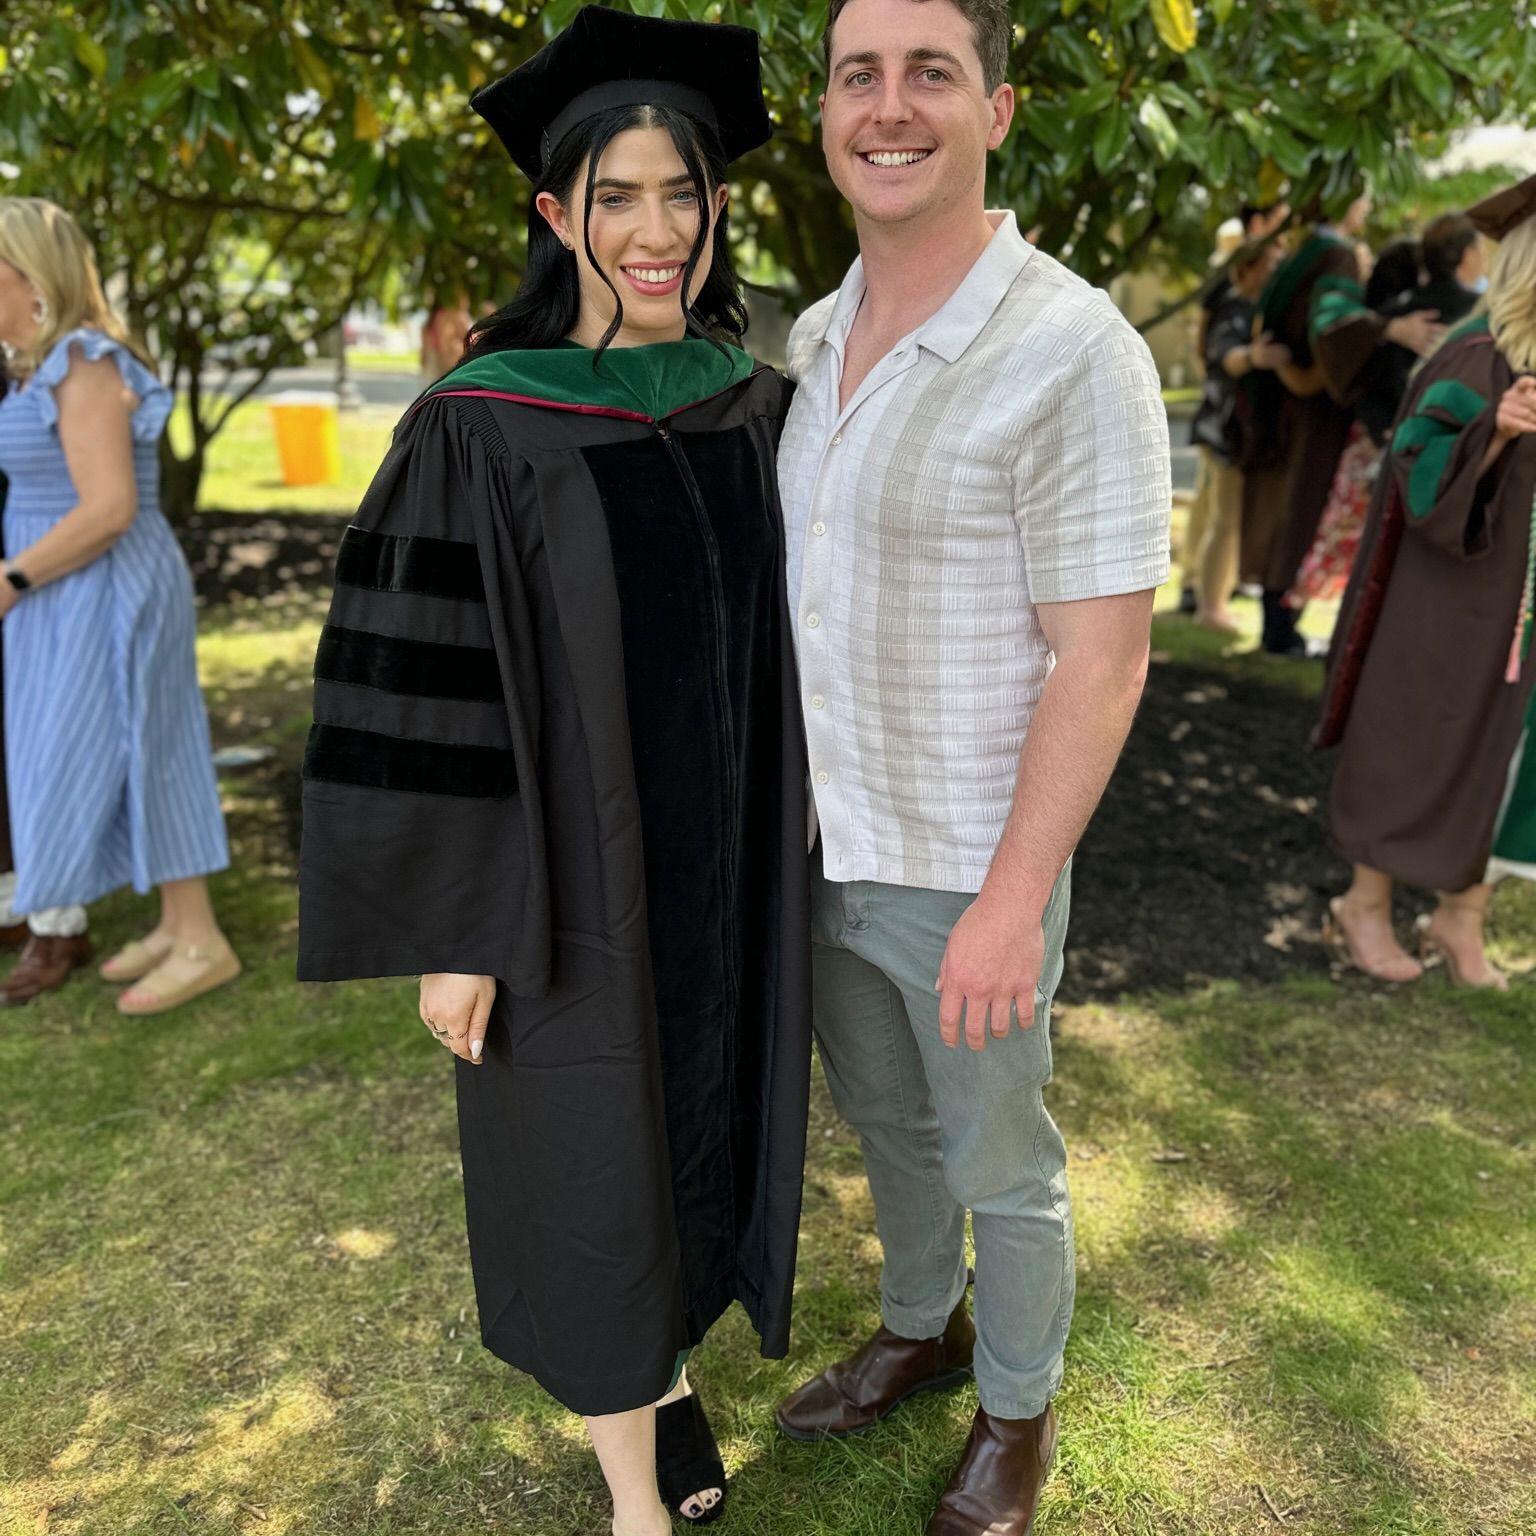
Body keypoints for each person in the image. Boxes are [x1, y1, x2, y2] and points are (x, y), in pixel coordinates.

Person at [297, 10, 811, 1534]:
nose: (654, 232)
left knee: (698, 1133)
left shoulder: (752, 398)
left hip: (729, 865)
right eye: (616, 197)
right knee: (589, 1158)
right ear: (555, 212)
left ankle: (665, 1376)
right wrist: (455, 930)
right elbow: (417, 680)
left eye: (682, 194)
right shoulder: (482, 420)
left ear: (720, 205)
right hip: (568, 880)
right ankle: (633, 1496)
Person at [772, 1, 1170, 1531]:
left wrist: (1014, 901)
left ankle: (1016, 1411)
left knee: (1003, 1160)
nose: (889, 107)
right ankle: (919, 1325)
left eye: (929, 73)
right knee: (888, 1128)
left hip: (966, 865)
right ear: (826, 114)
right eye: (858, 76)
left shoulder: (1072, 349)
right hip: (828, 842)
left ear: (995, 110)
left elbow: (1104, 660)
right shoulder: (814, 338)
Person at [0, 199, 236, 1012]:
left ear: (31, 277)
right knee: (134, 745)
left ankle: (202, 940)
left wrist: (12, 580)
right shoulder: (40, 363)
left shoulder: (83, 362)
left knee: (151, 742)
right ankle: (175, 924)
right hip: (65, 584)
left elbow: (108, 509)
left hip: (106, 581)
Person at [1316, 170, 1536, 988]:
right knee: (1414, 732)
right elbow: (1417, 459)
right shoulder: (1476, 353)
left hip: (1522, 606)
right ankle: (1363, 905)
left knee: (1508, 755)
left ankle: (1459, 918)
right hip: (1451, 595)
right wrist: (1494, 433)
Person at [1241, 190, 1445, 656]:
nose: (1366, 207)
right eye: (1361, 198)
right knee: (1303, 511)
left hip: (1288, 402)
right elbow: (1332, 326)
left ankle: (1278, 624)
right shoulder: (1335, 254)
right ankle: (1280, 628)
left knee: (1289, 511)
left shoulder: (1303, 249)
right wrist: (1388, 328)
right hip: (1314, 409)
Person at [1189, 235, 1290, 632]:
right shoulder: (1234, 307)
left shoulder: (1255, 308)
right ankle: (1210, 606)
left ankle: (1215, 601)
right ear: (1246, 269)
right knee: (1225, 521)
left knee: (1229, 520)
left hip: (1232, 433)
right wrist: (1253, 357)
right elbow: (1227, 356)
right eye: (1269, 263)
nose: (1275, 271)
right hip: (1225, 433)